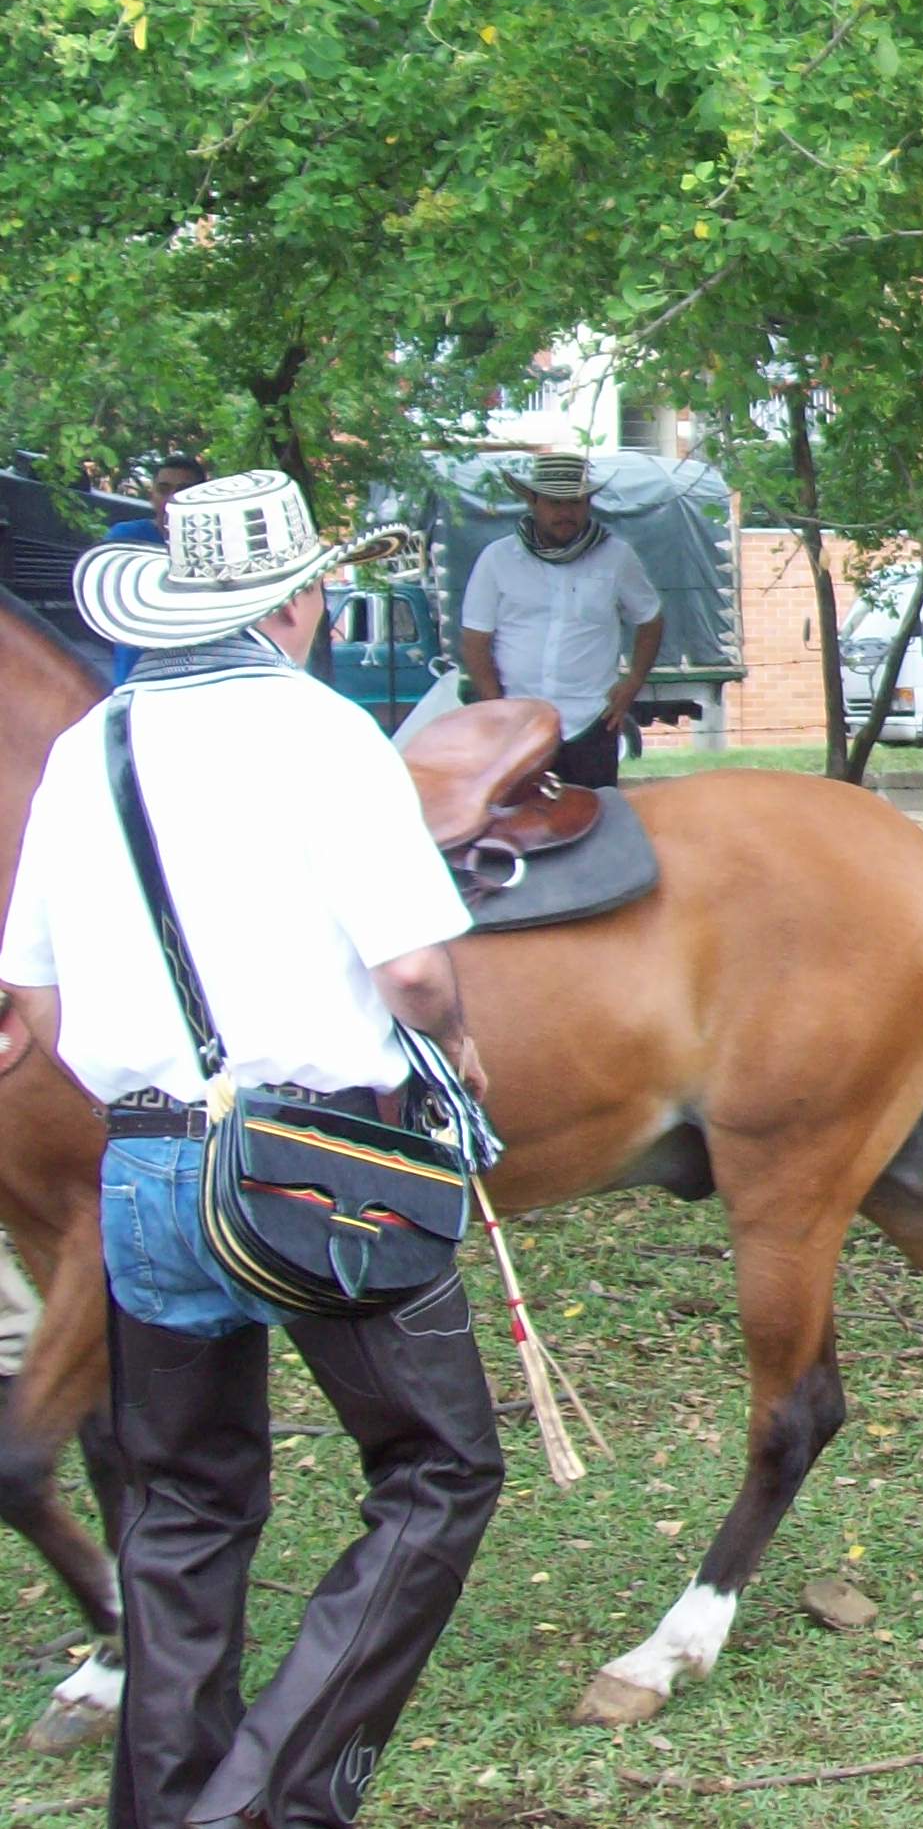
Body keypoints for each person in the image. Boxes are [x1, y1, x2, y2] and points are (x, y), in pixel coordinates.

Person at [1, 469, 502, 1828]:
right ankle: (271, 1801)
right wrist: (455, 1043)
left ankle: (166, 1811)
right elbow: (413, 970)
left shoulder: (91, 746)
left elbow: (31, 994)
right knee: (440, 1471)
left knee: (181, 1507)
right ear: (295, 602)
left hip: (146, 1167)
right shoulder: (323, 733)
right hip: (317, 1165)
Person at [458, 451, 663, 787]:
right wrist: (497, 708)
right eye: (555, 503)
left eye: (575, 503)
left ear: (589, 504)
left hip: (592, 721)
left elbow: (650, 619)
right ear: (533, 501)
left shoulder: (616, 557)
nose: (566, 513)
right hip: (519, 722)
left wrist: (633, 684)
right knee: (515, 817)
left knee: (595, 815)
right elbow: (475, 639)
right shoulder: (498, 559)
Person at [100, 455, 211, 687]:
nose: (171, 498)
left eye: (183, 490)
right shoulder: (125, 538)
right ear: (152, 496)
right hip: (136, 683)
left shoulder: (218, 549)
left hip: (202, 681)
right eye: (163, 489)